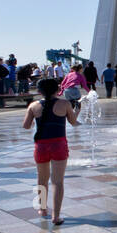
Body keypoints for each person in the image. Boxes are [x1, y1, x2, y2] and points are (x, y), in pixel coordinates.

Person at [23, 78, 78, 225]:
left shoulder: (33, 106)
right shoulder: (64, 104)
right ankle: (56, 215)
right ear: (57, 89)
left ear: (39, 91)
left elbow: (26, 126)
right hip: (59, 144)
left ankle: (42, 208)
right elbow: (73, 122)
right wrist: (77, 111)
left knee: (42, 179)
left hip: (41, 145)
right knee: (58, 181)